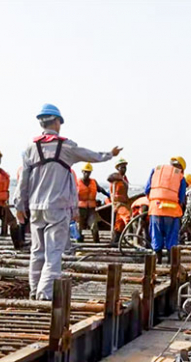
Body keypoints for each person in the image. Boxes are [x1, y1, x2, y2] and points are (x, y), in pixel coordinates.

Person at [15, 103, 122, 300]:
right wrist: (110, 155)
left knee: (37, 251)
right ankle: (45, 296)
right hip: (57, 207)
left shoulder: (30, 148)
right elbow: (92, 155)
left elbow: (23, 181)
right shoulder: (65, 146)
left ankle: (33, 291)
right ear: (57, 122)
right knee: (53, 253)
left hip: (35, 207)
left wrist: (19, 206)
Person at [145, 156, 187, 263]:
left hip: (155, 208)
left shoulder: (156, 170)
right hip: (171, 211)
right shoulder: (180, 176)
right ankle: (170, 262)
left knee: (156, 235)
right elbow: (181, 197)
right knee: (172, 236)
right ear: (181, 167)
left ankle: (157, 261)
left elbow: (147, 190)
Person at [77, 163, 109, 243]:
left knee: (94, 226)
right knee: (79, 228)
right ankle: (79, 246)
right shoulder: (77, 182)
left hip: (91, 209)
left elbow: (100, 189)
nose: (87, 174)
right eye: (85, 172)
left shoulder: (93, 182)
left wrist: (108, 195)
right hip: (80, 209)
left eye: (88, 172)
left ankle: (97, 243)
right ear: (82, 172)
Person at [107, 158, 131, 246]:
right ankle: (131, 238)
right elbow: (108, 178)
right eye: (122, 167)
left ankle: (115, 241)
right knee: (129, 218)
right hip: (118, 205)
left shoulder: (125, 179)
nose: (124, 169)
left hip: (124, 204)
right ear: (118, 168)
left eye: (125, 167)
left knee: (119, 225)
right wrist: (118, 178)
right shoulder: (115, 177)